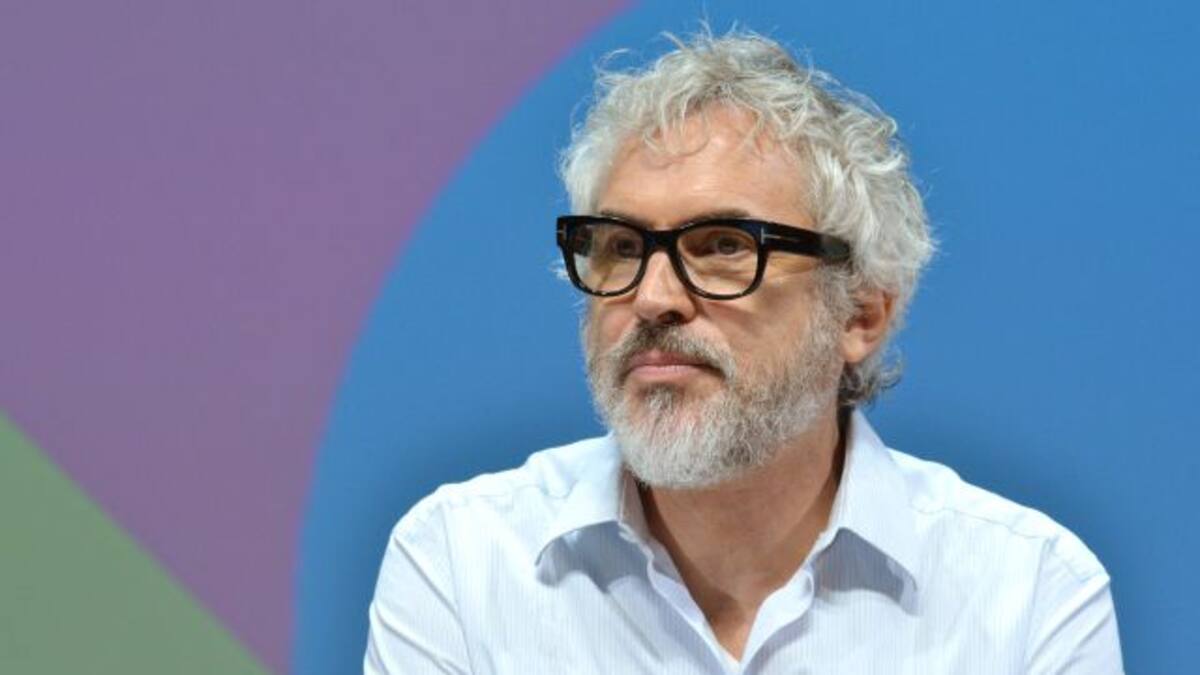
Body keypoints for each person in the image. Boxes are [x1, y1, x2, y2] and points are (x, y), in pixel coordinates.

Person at [364, 29, 1123, 674]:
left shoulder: (1025, 595)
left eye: (724, 245)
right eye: (621, 246)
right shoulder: (464, 562)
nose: (654, 296)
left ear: (861, 313)